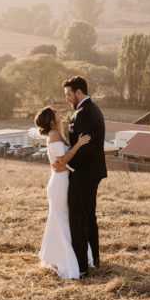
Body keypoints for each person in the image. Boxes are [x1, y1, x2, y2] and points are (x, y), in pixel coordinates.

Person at [54, 75, 107, 279]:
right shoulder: (93, 109)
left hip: (84, 174)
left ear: (78, 92)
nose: (67, 98)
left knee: (78, 219)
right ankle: (94, 259)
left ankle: (82, 268)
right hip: (93, 172)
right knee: (89, 217)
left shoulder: (84, 113)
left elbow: (85, 149)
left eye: (69, 94)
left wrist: (67, 165)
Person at [35, 106, 92, 280]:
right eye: (56, 112)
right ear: (51, 119)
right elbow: (62, 160)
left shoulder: (57, 132)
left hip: (63, 180)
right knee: (61, 219)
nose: (60, 112)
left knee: (63, 219)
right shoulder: (53, 135)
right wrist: (78, 145)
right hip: (59, 183)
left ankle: (65, 256)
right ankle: (64, 259)